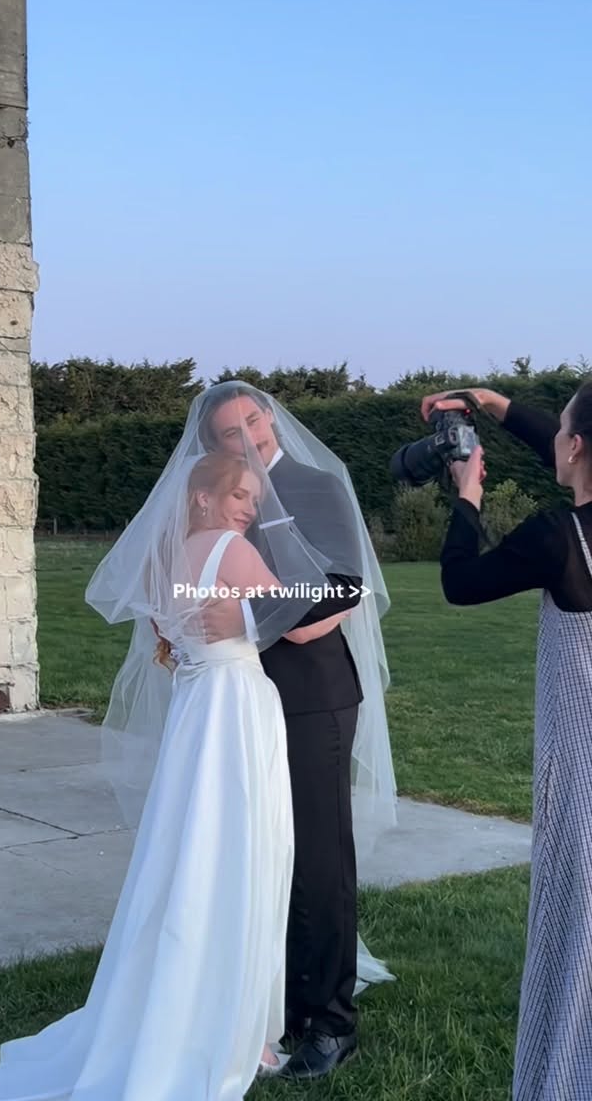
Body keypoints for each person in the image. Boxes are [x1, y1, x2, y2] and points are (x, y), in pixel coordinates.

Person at [0, 442, 356, 1101]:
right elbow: (295, 622)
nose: (247, 511)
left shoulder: (163, 560)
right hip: (234, 706)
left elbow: (171, 643)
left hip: (195, 708)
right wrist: (352, 587)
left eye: (253, 503)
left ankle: (186, 999)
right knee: (243, 853)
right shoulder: (231, 552)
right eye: (239, 497)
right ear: (203, 495)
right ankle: (236, 1028)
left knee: (186, 851)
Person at [196, 381, 396, 1080]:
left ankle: (332, 1021)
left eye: (254, 420)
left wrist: (248, 621)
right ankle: (272, 1000)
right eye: (231, 433)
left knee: (318, 861)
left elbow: (344, 586)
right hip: (237, 697)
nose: (249, 437)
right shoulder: (217, 496)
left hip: (312, 695)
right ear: (213, 446)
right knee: (262, 855)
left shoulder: (315, 484)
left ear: (272, 415)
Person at [422, 381, 592, 1101]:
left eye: (559, 430)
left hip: (582, 771)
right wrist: (493, 403)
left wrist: (467, 493)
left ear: (576, 446)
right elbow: (568, 445)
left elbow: (461, 582)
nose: (550, 438)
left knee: (576, 920)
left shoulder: (560, 537)